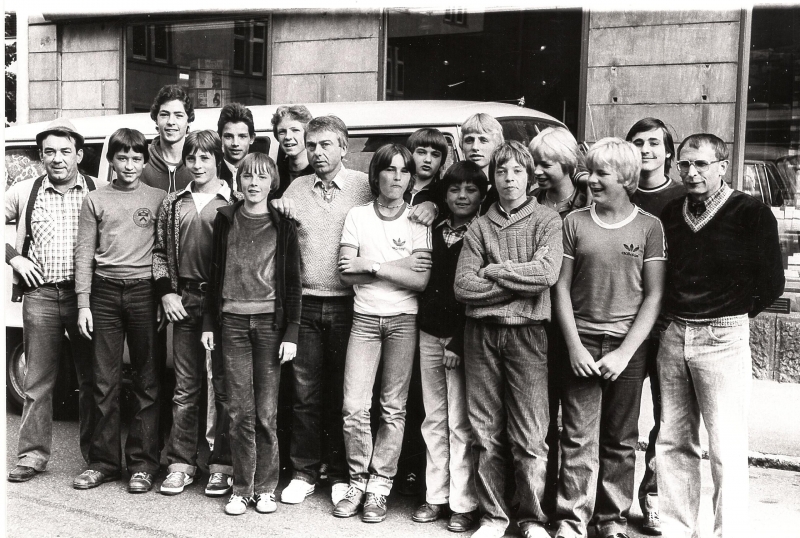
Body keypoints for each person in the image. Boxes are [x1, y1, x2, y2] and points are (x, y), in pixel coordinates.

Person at [657, 133, 784, 538]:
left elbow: (772, 282)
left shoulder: (751, 212)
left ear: (722, 166)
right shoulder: (672, 213)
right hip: (675, 333)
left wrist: (730, 315)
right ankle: (678, 529)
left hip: (723, 336)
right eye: (684, 165)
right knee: (673, 441)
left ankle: (727, 532)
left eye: (701, 165)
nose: (691, 172)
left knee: (726, 447)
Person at [551, 137, 666, 538]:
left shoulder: (650, 227)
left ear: (628, 178)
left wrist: (624, 353)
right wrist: (574, 346)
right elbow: (560, 289)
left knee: (620, 439)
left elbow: (653, 296)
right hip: (581, 343)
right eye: (591, 172)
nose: (592, 180)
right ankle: (571, 520)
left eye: (602, 173)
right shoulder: (574, 222)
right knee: (578, 437)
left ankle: (611, 521)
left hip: (627, 351)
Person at [454, 141, 562, 538]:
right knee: (485, 432)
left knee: (530, 435)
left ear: (530, 176)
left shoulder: (548, 220)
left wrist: (493, 270)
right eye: (501, 171)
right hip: (480, 335)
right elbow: (464, 285)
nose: (509, 179)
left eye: (517, 171)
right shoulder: (480, 225)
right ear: (493, 178)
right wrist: (517, 278)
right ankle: (493, 517)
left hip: (527, 335)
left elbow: (547, 274)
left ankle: (532, 519)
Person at [275, 115, 373, 507]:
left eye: (326, 144)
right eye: (312, 145)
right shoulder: (297, 187)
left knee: (341, 393)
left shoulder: (363, 186)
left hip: (350, 305)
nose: (317, 152)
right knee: (304, 393)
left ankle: (337, 472)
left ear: (344, 147)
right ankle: (303, 472)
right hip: (307, 303)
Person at [333, 144, 432, 523]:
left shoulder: (418, 219)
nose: (396, 177)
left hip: (403, 322)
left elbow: (420, 280)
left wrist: (372, 264)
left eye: (403, 171)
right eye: (389, 170)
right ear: (376, 175)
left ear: (410, 178)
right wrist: (396, 265)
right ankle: (357, 480)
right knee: (354, 405)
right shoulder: (358, 216)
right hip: (364, 321)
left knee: (393, 408)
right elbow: (346, 273)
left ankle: (379, 486)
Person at [201, 153, 302, 516]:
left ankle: (266, 488)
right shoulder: (225, 219)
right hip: (232, 325)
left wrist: (291, 331)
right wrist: (210, 324)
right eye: (247, 176)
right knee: (239, 411)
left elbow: (293, 284)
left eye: (261, 177)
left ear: (272, 182)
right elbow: (215, 276)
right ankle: (242, 487)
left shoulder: (283, 223)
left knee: (266, 413)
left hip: (270, 327)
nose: (253, 183)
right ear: (238, 181)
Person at [72, 128, 166, 492]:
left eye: (136, 158)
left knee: (147, 380)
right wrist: (83, 303)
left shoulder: (159, 198)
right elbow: (84, 254)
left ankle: (143, 464)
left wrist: (162, 296)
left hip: (144, 293)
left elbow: (164, 253)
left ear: (145, 161)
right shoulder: (95, 199)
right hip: (104, 294)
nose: (129, 165)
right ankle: (104, 462)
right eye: (122, 158)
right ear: (111, 160)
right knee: (103, 381)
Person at [5, 118, 96, 483]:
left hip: (85, 296)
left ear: (79, 154)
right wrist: (13, 256)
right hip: (41, 294)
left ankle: (96, 459)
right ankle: (32, 456)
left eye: (64, 151)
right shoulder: (25, 191)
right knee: (38, 380)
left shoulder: (96, 188)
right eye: (49, 152)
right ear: (41, 157)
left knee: (93, 379)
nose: (57, 159)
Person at [153, 130, 240, 497]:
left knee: (223, 386)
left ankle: (222, 464)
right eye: (192, 157)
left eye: (205, 157)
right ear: (184, 161)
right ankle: (181, 463)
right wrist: (167, 292)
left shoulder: (234, 201)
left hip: (222, 303)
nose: (198, 164)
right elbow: (159, 252)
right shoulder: (174, 204)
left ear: (217, 159)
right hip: (185, 299)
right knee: (186, 387)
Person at [411, 161, 486, 533]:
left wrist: (457, 340)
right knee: (433, 419)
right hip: (428, 333)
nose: (461, 196)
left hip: (460, 339)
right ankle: (435, 495)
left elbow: (474, 295)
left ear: (481, 195)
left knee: (460, 422)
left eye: (470, 190)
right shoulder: (436, 230)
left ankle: (463, 502)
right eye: (455, 189)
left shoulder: (482, 232)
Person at [624, 117, 684, 535]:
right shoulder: (617, 192)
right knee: (617, 419)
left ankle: (654, 495)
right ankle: (604, 499)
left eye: (653, 143)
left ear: (668, 152)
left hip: (668, 322)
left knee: (668, 418)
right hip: (620, 321)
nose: (645, 150)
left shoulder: (682, 197)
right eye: (637, 142)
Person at [527, 126, 591, 518]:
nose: (536, 170)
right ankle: (543, 502)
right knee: (540, 421)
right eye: (534, 162)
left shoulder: (589, 202)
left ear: (567, 164)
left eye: (545, 163)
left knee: (580, 427)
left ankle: (577, 508)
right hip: (536, 324)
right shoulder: (532, 203)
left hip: (579, 322)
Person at [142, 84, 195, 194]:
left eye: (178, 115)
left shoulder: (199, 162)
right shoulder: (141, 160)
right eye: (164, 115)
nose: (171, 122)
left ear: (188, 120)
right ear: (156, 120)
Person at [459, 113, 504, 214]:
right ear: (462, 145)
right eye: (469, 140)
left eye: (483, 140)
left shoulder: (505, 188)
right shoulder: (452, 185)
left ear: (497, 145)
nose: (475, 147)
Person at [271, 104, 314, 197]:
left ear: (308, 134)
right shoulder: (274, 173)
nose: (288, 137)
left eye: (295, 130)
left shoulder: (319, 172)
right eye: (282, 132)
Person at [216, 103, 256, 192]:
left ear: (252, 138)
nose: (235, 143)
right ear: (219, 138)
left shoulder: (261, 173)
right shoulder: (212, 173)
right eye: (228, 136)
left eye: (242, 136)